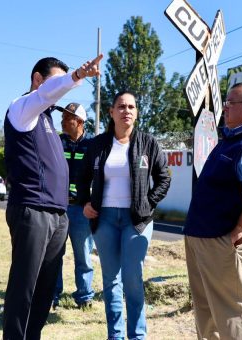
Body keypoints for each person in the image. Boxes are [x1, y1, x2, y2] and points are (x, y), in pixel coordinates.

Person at [3, 54, 102, 340]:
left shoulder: (46, 119)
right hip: (32, 209)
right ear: (37, 80)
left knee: (46, 288)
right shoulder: (22, 109)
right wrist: (75, 77)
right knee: (25, 285)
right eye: (55, 80)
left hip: (57, 215)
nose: (59, 89)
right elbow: (48, 92)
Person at [77, 91, 171, 340]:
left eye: (131, 107)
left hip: (136, 221)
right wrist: (84, 202)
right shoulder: (98, 144)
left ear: (136, 113)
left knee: (132, 278)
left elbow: (164, 178)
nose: (126, 111)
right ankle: (115, 335)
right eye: (121, 106)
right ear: (111, 112)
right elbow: (82, 177)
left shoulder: (148, 143)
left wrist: (147, 203)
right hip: (104, 218)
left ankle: (137, 335)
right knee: (111, 280)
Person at [184, 82, 242, 339]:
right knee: (205, 309)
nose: (225, 108)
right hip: (202, 236)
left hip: (224, 240)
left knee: (232, 311)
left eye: (231, 103)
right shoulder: (229, 139)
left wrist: (238, 230)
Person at [52, 102, 95, 310]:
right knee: (53, 255)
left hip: (81, 210)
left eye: (66, 118)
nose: (62, 122)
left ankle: (84, 297)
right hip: (58, 209)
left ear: (79, 121)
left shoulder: (93, 146)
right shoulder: (56, 142)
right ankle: (52, 296)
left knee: (84, 256)